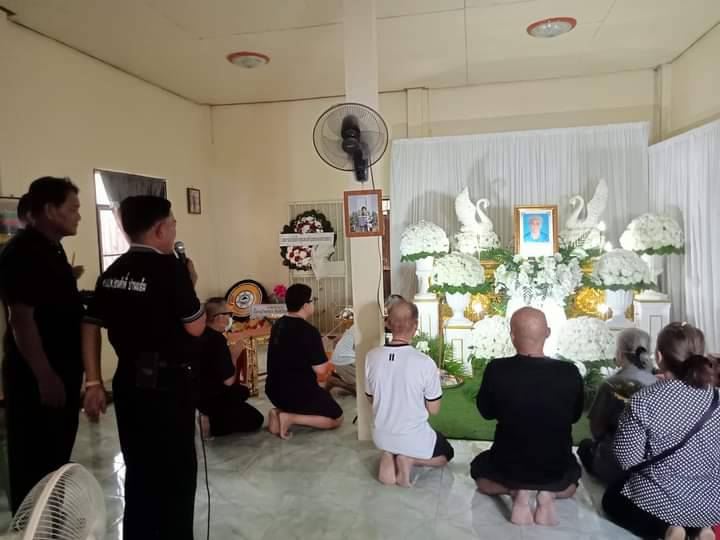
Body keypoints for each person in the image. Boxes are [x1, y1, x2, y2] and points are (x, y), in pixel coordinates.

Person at [82, 195, 206, 540]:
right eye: (173, 223)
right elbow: (196, 326)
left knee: (138, 468)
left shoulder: (113, 271)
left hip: (128, 383)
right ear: (160, 229)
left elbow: (90, 324)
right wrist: (190, 282)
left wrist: (93, 381)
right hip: (169, 385)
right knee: (176, 473)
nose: (175, 229)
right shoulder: (171, 269)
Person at [0, 177, 83, 514]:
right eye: (73, 209)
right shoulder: (23, 251)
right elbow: (21, 319)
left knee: (55, 456)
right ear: (50, 210)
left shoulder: (51, 247)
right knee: (34, 457)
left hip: (61, 367)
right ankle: (32, 525)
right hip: (37, 375)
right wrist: (44, 374)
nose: (78, 216)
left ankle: (51, 518)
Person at [602, 322, 720, 540]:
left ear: (658, 356)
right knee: (690, 504)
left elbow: (627, 459)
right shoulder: (716, 397)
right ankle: (701, 529)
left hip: (661, 500)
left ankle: (667, 530)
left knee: (612, 499)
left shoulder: (645, 400)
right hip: (712, 504)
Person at [471, 307, 583, 527]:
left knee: (480, 474)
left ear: (512, 336)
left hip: (509, 463)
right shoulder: (569, 371)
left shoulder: (497, 369)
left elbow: (486, 412)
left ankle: (516, 491)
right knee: (570, 485)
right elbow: (574, 416)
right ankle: (549, 493)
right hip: (554, 466)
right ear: (548, 332)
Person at [366, 300, 454, 487]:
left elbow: (370, 398)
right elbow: (434, 409)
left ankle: (389, 454)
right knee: (446, 453)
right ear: (415, 325)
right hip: (413, 438)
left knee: (393, 440)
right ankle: (409, 459)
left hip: (380, 436)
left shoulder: (371, 356)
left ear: (388, 323)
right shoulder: (424, 362)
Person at [577, 328, 658, 485]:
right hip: (649, 466)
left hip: (616, 464)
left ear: (620, 354)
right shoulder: (658, 384)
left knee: (585, 446)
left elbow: (596, 430)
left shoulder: (611, 384)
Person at [265, 283, 343, 439]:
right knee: (336, 418)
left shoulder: (278, 324)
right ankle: (290, 418)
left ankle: (277, 412)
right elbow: (321, 370)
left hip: (273, 391)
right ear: (305, 305)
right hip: (299, 393)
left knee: (316, 400)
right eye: (312, 300)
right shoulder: (309, 331)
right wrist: (329, 353)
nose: (313, 304)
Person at [193, 298, 263, 437]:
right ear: (219, 317)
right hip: (212, 396)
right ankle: (211, 424)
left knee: (243, 392)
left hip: (197, 392)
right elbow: (229, 381)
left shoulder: (201, 333)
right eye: (229, 314)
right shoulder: (217, 340)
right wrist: (234, 355)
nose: (230, 318)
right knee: (256, 420)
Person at [326, 323, 356, 394]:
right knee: (363, 388)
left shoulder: (358, 325)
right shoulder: (364, 326)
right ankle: (334, 381)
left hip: (342, 359)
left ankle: (335, 379)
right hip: (345, 360)